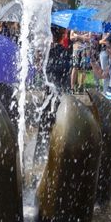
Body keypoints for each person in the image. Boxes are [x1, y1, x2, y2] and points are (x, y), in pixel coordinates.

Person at [33, 26, 71, 164]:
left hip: (49, 96)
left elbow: (41, 72)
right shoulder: (65, 52)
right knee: (62, 127)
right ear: (61, 36)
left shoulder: (47, 52)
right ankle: (60, 157)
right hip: (62, 96)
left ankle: (39, 156)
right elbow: (66, 72)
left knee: (44, 126)